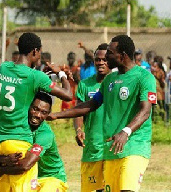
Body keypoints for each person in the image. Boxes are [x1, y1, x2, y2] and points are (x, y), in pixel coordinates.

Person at [48, 35, 156, 192]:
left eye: (110, 53)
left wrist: (126, 132)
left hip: (135, 146)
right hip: (111, 150)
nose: (105, 57)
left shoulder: (144, 77)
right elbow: (91, 104)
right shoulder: (110, 79)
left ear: (122, 54)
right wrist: (57, 115)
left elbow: (145, 110)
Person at [0, 32, 72, 192]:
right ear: (35, 51)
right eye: (40, 53)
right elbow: (68, 95)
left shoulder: (4, 68)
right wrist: (61, 74)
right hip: (19, 141)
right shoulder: (36, 76)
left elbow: (21, 87)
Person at [0, 92, 68, 192]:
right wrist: (5, 159)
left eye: (44, 112)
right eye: (35, 109)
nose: (38, 115)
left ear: (48, 114)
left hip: (50, 177)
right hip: (25, 177)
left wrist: (1, 170)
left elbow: (26, 165)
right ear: (28, 107)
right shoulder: (17, 125)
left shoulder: (45, 134)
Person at [74, 43, 110, 192]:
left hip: (112, 145)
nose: (100, 62)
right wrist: (78, 129)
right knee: (93, 188)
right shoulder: (85, 85)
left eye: (104, 59)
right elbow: (79, 110)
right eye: (97, 59)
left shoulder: (118, 82)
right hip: (92, 145)